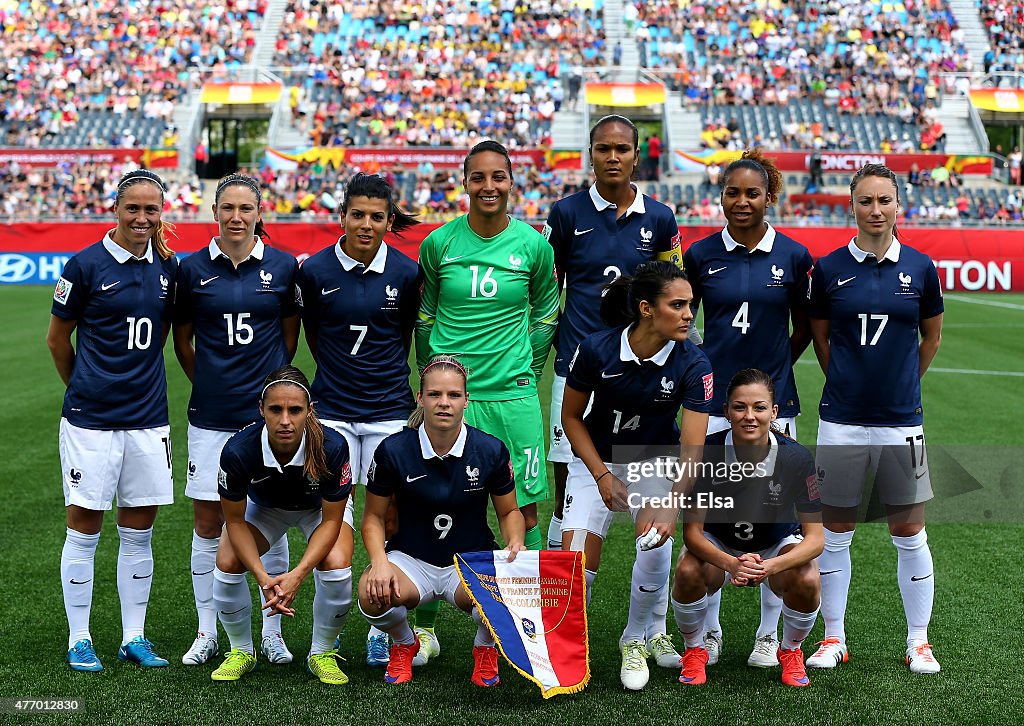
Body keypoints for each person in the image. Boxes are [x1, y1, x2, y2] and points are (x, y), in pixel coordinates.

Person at [415, 140, 558, 663]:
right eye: (479, 178)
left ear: (511, 181)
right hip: (455, 398)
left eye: (499, 177)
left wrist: (525, 369)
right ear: (465, 182)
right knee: (440, 499)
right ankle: (426, 623)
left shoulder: (533, 246)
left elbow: (546, 313)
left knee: (522, 504)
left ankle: (522, 617)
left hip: (513, 397)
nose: (489, 187)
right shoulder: (440, 244)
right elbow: (426, 316)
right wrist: (432, 376)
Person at [806, 163, 944, 674]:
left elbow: (930, 338)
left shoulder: (922, 269)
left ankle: (918, 641)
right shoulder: (829, 268)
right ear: (852, 206)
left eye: (884, 200)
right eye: (866, 201)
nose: (876, 210)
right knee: (836, 530)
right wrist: (845, 381)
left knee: (909, 531)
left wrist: (904, 384)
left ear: (897, 205)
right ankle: (834, 638)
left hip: (900, 420)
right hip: (841, 418)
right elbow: (821, 338)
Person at [682, 148, 814, 667]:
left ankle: (766, 634)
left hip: (772, 407)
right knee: (713, 515)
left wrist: (777, 370)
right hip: (712, 406)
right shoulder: (699, 254)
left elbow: (805, 324)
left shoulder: (795, 256)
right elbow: (684, 318)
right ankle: (709, 632)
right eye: (732, 192)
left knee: (773, 519)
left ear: (769, 198)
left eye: (752, 193)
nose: (741, 201)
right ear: (720, 196)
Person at [47, 169, 178, 671]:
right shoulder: (84, 266)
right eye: (133, 208)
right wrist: (83, 389)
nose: (142, 218)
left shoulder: (170, 269)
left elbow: (167, 332)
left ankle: (133, 636)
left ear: (161, 213)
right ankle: (80, 637)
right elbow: (58, 340)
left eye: (151, 210)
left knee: (139, 531)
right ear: (116, 210)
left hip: (148, 419)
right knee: (84, 529)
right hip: (92, 421)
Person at [561, 261, 713, 690]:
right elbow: (571, 418)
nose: (689, 314)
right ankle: (570, 647)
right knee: (576, 564)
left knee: (653, 542)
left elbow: (692, 448)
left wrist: (670, 501)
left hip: (654, 461)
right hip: (597, 459)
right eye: (678, 305)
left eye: (690, 305)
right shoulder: (595, 349)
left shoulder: (694, 363)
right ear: (647, 309)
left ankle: (635, 640)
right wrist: (601, 476)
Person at [173, 173, 301, 667]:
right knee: (208, 522)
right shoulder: (191, 271)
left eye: (246, 209)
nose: (236, 217)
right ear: (215, 212)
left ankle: (272, 630)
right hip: (211, 415)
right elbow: (183, 341)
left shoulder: (284, 267)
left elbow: (289, 338)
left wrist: (269, 391)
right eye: (228, 208)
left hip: (270, 420)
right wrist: (207, 378)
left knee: (271, 518)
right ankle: (208, 630)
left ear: (258, 213)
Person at [296, 172, 420, 667]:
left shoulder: (407, 274)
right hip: (334, 415)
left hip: (390, 412)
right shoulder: (315, 272)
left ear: (389, 221)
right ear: (342, 216)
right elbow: (311, 335)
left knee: (389, 520)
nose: (366, 225)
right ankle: (323, 646)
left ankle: (384, 628)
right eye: (357, 215)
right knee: (337, 526)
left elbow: (412, 333)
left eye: (376, 217)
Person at [543, 115, 682, 556]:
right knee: (568, 479)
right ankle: (558, 574)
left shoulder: (660, 218)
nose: (613, 156)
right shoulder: (566, 213)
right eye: (604, 148)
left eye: (622, 149)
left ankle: (645, 600)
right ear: (591, 155)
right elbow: (547, 285)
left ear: (637, 156)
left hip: (640, 368)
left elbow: (672, 285)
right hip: (577, 367)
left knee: (646, 473)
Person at [357, 355, 526, 687]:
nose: (444, 403)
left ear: (466, 399)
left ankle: (484, 648)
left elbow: (509, 512)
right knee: (370, 593)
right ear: (420, 398)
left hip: (468, 560)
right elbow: (374, 517)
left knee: (505, 598)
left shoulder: (490, 450)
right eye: (435, 394)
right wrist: (378, 562)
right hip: (411, 559)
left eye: (453, 395)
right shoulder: (393, 450)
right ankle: (405, 643)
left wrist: (514, 543)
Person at [671, 369, 823, 688]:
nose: (749, 416)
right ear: (726, 412)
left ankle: (791, 650)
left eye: (759, 407)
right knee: (686, 571)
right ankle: (695, 649)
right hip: (720, 545)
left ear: (774, 412)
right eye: (739, 407)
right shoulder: (706, 454)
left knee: (808, 576)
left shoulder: (797, 458)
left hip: (775, 545)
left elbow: (816, 540)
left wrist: (769, 567)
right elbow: (693, 534)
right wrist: (731, 564)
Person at [209, 366, 353, 684]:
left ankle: (322, 653)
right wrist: (263, 578)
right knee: (228, 560)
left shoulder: (333, 447)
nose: (285, 420)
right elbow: (233, 521)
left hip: (318, 512)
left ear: (309, 411)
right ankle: (241, 651)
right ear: (261, 409)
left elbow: (332, 520)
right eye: (275, 409)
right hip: (266, 509)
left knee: (336, 563)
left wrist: (298, 575)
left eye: (295, 410)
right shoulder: (237, 450)